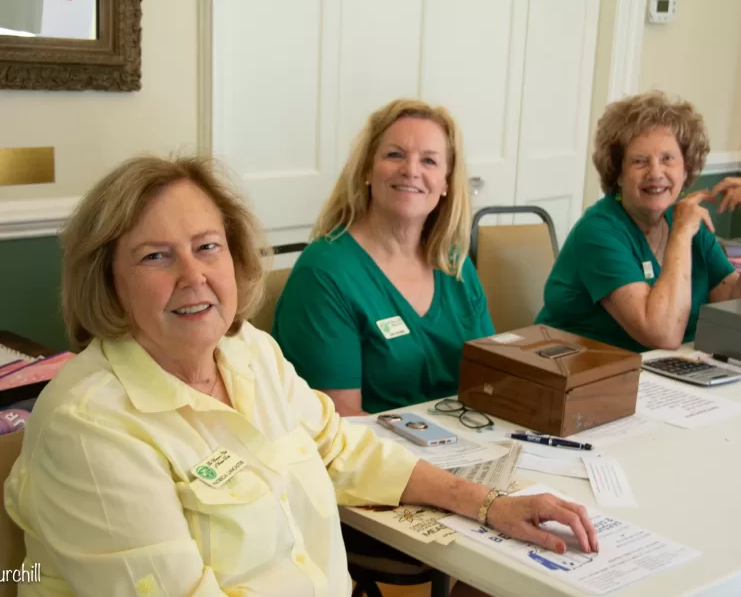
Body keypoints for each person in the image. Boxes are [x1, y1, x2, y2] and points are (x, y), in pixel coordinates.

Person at [3, 155, 597, 597]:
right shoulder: (91, 426)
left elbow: (341, 448)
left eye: (207, 247)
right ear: (107, 282)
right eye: (155, 256)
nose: (193, 275)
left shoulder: (248, 353)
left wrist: (490, 504)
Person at [271, 98, 495, 416]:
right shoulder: (324, 274)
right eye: (395, 155)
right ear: (367, 169)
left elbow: (491, 378)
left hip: (473, 436)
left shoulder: (454, 261)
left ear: (446, 181)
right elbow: (343, 424)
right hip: (375, 446)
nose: (411, 170)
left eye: (429, 161)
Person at [536, 91, 741, 352]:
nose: (656, 173)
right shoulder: (598, 232)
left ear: (685, 169)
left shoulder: (687, 223)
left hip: (668, 368)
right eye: (639, 161)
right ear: (618, 174)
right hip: (580, 369)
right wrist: (680, 235)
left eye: (667, 159)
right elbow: (662, 334)